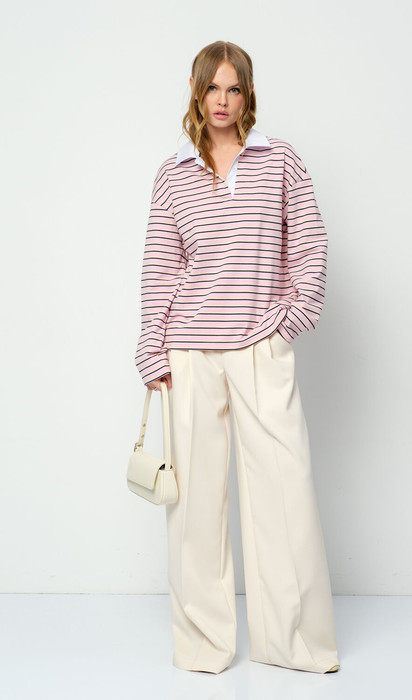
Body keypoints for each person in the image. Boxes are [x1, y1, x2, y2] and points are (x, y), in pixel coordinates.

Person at [134, 40, 340, 675]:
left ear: (247, 94)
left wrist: (288, 321)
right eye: (212, 88)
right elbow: (161, 268)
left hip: (259, 347)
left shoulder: (280, 161)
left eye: (233, 88)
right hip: (190, 352)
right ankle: (204, 645)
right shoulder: (173, 173)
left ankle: (295, 645)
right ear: (196, 93)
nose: (222, 100)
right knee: (194, 505)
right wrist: (152, 348)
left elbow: (310, 247)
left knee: (284, 492)